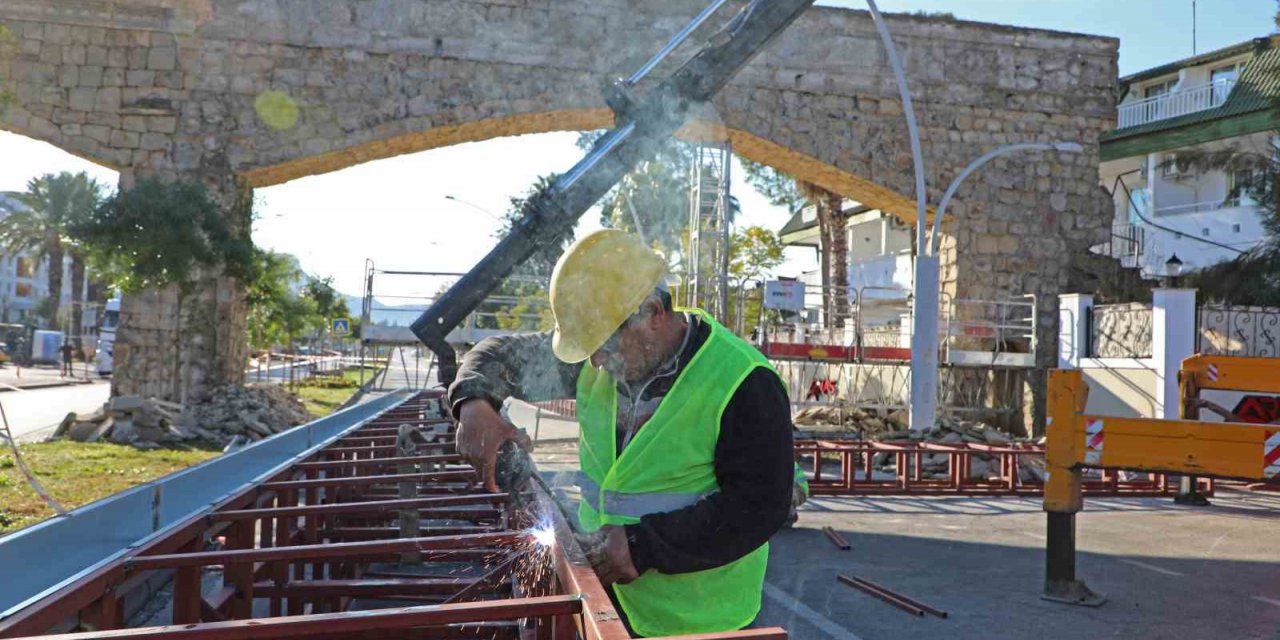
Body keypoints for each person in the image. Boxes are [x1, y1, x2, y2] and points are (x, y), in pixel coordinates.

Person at [449, 229, 798, 637]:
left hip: (701, 621)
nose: (596, 361)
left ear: (653, 313)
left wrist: (642, 545)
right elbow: (496, 354)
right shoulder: (596, 358)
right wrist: (472, 403)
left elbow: (759, 506)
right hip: (606, 602)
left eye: (605, 344)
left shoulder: (744, 380)